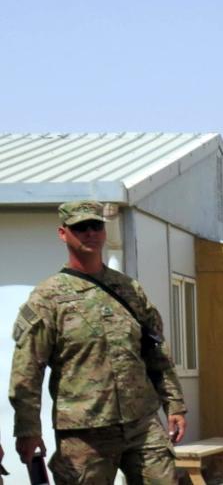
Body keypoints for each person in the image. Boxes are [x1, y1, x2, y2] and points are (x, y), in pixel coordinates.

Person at [9, 201, 188, 484]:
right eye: (81, 227)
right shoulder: (48, 297)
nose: (90, 233)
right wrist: (28, 430)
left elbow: (156, 351)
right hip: (84, 433)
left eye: (96, 226)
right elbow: (28, 368)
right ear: (63, 233)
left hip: (140, 422)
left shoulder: (129, 289)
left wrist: (174, 404)